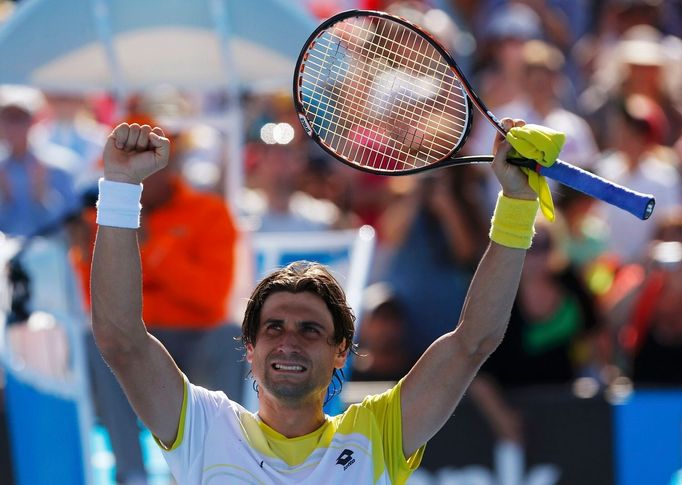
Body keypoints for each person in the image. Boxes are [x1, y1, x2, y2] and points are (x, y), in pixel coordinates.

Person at [90, 117, 540, 484]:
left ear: (342, 349)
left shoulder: (377, 432)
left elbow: (473, 342)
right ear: (249, 347)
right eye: (273, 328)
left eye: (310, 330)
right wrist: (120, 187)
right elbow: (120, 340)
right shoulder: (205, 427)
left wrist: (518, 202)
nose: (289, 342)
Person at [80, 118, 242, 485]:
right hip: (137, 340)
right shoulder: (102, 217)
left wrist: (151, 249)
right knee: (98, 343)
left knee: (228, 337)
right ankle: (132, 474)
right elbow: (97, 305)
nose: (142, 174)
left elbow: (210, 297)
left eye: (147, 161)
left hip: (197, 339)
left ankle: (213, 470)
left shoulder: (210, 212)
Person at [0, 85, 78, 237]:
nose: (12, 127)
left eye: (19, 119)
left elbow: (71, 222)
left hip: (47, 256)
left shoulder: (59, 165)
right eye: (6, 119)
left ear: (32, 121)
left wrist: (43, 197)